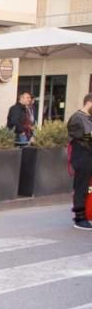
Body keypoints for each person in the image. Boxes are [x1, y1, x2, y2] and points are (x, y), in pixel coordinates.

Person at [67, 93, 92, 230]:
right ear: (89, 103)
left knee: (88, 187)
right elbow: (88, 139)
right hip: (83, 156)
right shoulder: (77, 118)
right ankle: (79, 218)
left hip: (88, 156)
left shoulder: (88, 118)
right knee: (81, 187)